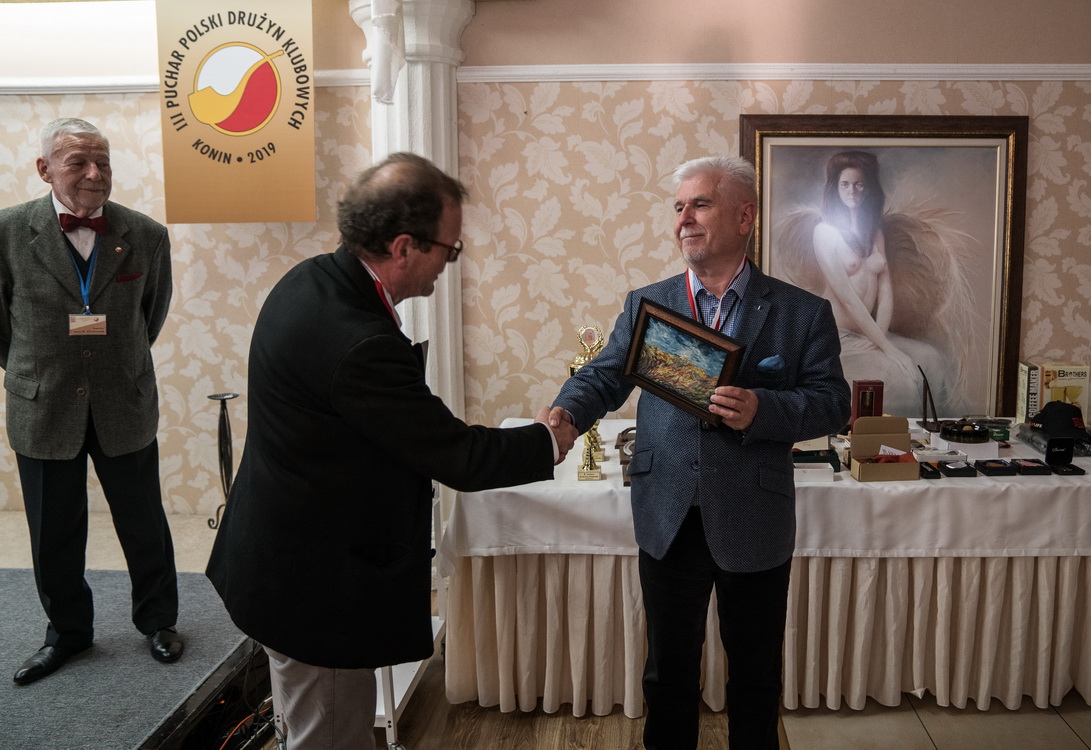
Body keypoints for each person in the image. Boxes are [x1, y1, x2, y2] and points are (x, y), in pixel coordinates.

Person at [206, 152, 578, 750]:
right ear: (405, 247)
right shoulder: (359, 342)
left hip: (283, 558)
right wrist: (548, 442)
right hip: (316, 587)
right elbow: (454, 454)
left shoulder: (311, 278)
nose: (450, 265)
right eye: (450, 250)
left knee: (314, 726)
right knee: (330, 737)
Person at [548, 155, 850, 749]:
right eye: (679, 207)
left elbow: (833, 403)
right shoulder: (648, 303)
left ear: (745, 217)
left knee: (756, 678)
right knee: (668, 675)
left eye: (700, 204)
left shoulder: (802, 312)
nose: (684, 218)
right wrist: (566, 414)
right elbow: (605, 375)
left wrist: (765, 410)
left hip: (754, 517)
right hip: (667, 513)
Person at [0, 118, 181, 686]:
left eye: (102, 161)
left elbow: (150, 315)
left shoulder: (145, 234)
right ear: (44, 169)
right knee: (53, 530)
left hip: (122, 399)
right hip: (43, 403)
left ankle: (159, 621)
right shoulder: (7, 232)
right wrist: (34, 369)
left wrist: (111, 363)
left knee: (143, 521)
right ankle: (68, 632)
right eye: (77, 162)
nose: (94, 173)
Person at [776, 150, 974, 417]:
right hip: (838, 336)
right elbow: (847, 298)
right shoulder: (824, 233)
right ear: (835, 188)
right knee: (898, 376)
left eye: (859, 184)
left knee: (932, 359)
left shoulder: (874, 232)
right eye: (845, 184)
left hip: (872, 331)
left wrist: (880, 336)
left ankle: (937, 435)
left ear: (868, 187)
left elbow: (886, 291)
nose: (852, 191)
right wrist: (887, 347)